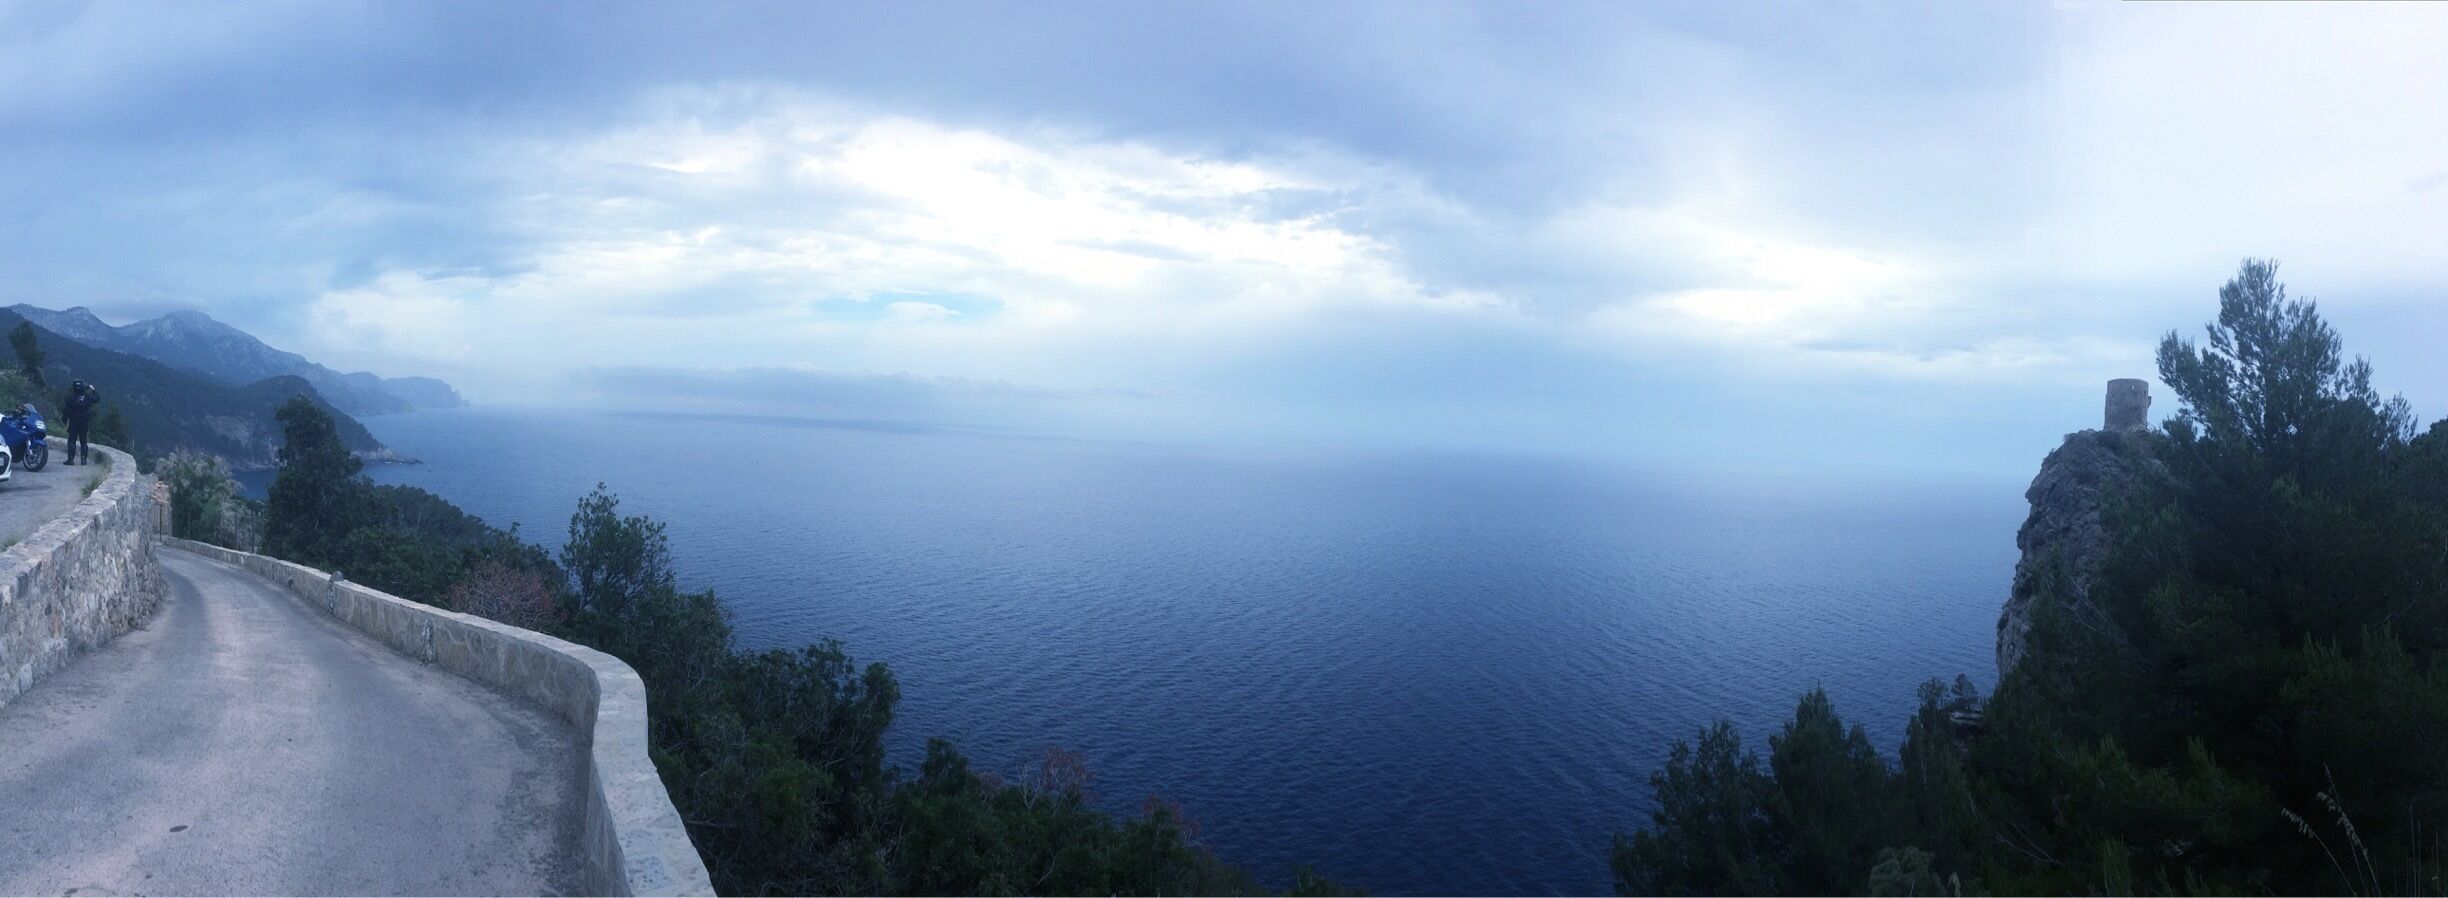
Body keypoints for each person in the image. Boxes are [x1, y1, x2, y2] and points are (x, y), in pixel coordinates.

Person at [62, 380, 98, 465]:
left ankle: (70, 460)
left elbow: (66, 410)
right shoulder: (87, 397)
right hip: (84, 421)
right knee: (83, 440)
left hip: (73, 421)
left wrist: (64, 419)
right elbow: (97, 399)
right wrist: (93, 390)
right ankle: (83, 459)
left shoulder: (71, 398)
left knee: (72, 440)